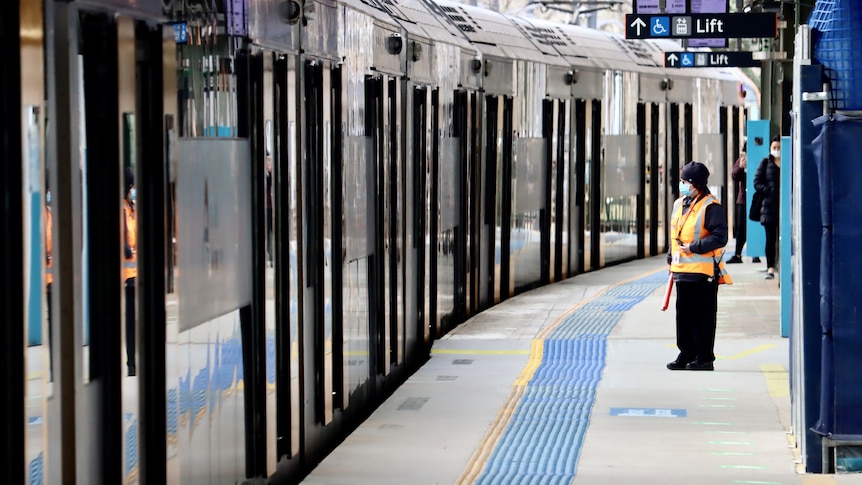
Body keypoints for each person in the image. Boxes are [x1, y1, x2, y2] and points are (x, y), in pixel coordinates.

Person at [666, 161, 732, 372]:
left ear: (696, 184)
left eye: (685, 181)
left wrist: (694, 247)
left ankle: (704, 358)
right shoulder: (679, 204)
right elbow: (676, 233)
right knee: (683, 316)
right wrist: (671, 256)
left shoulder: (711, 206)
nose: (682, 185)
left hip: (703, 272)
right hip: (682, 271)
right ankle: (686, 354)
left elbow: (720, 237)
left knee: (702, 317)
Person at [753, 136, 781, 280]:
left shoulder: (788, 162)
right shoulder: (766, 162)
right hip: (768, 208)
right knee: (770, 238)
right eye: (774, 148)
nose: (776, 150)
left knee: (784, 238)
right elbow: (756, 182)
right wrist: (768, 190)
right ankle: (770, 267)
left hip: (784, 208)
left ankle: (782, 264)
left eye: (779, 148)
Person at [123, 167, 138, 376]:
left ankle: (134, 361)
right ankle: (130, 363)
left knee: (135, 321)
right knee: (129, 322)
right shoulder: (123, 210)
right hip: (127, 277)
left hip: (137, 274)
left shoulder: (134, 209)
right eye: (133, 186)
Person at [727, 143, 747, 264]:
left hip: (758, 198)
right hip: (743, 199)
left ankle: (756, 254)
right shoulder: (742, 160)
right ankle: (738, 254)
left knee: (755, 227)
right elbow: (734, 175)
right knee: (741, 228)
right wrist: (740, 167)